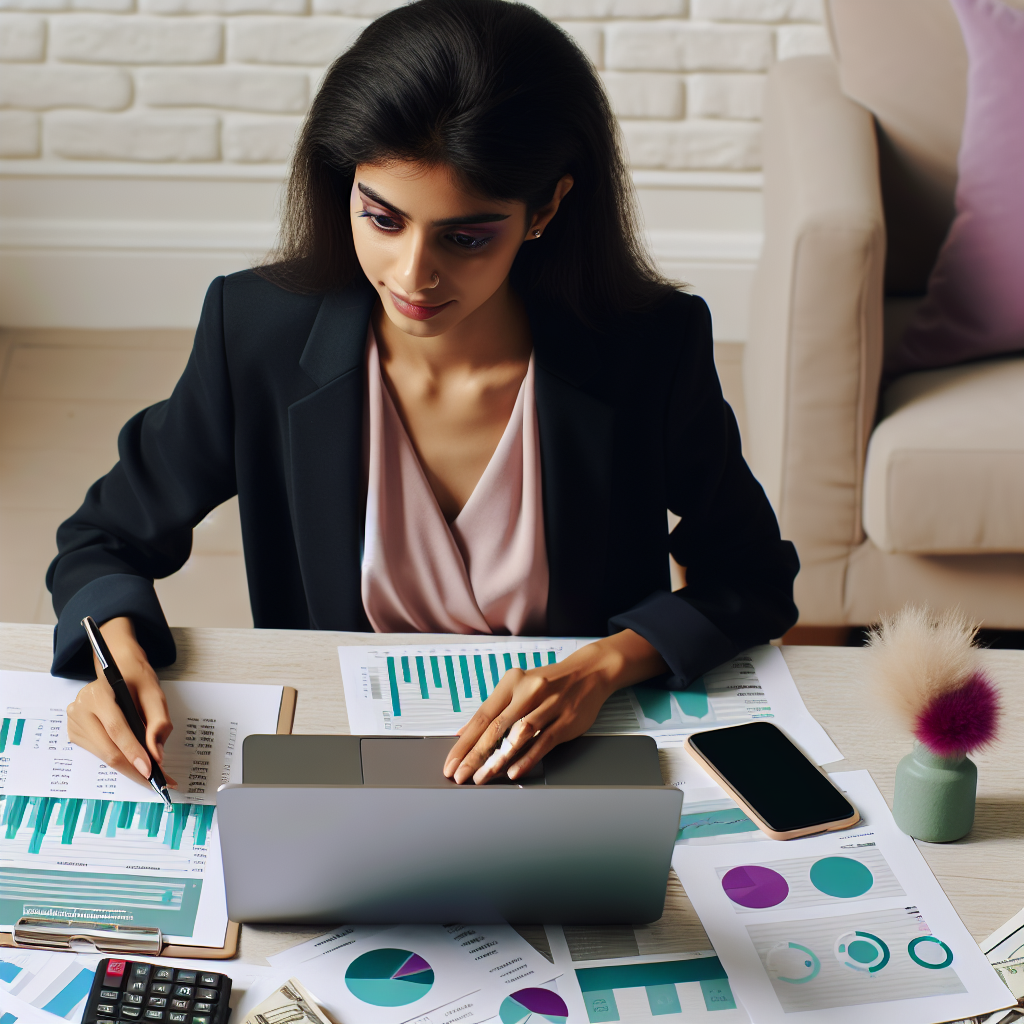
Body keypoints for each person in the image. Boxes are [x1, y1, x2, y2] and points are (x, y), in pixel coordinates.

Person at [47, 0, 799, 793]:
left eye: (466, 238)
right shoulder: (256, 334)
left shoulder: (649, 347)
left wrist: (605, 665)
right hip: (345, 764)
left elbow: (751, 574)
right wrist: (114, 650)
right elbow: (104, 539)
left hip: (564, 764)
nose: (412, 275)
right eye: (382, 218)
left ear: (544, 210)